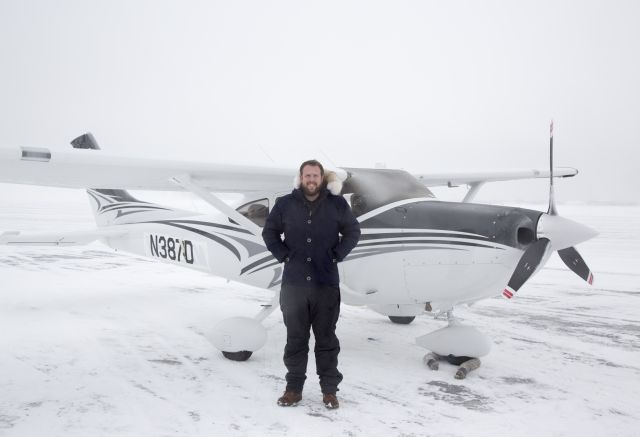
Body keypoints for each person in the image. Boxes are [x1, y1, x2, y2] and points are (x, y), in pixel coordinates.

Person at [262, 159, 361, 410]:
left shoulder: (337, 204)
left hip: (325, 284)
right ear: (301, 177)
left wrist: (338, 254)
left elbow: (353, 231)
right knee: (295, 340)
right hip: (294, 286)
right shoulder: (285, 204)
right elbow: (270, 232)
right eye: (307, 175)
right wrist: (284, 255)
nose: (312, 180)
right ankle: (293, 389)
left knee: (326, 340)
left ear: (322, 178)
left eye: (316, 175)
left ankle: (329, 391)